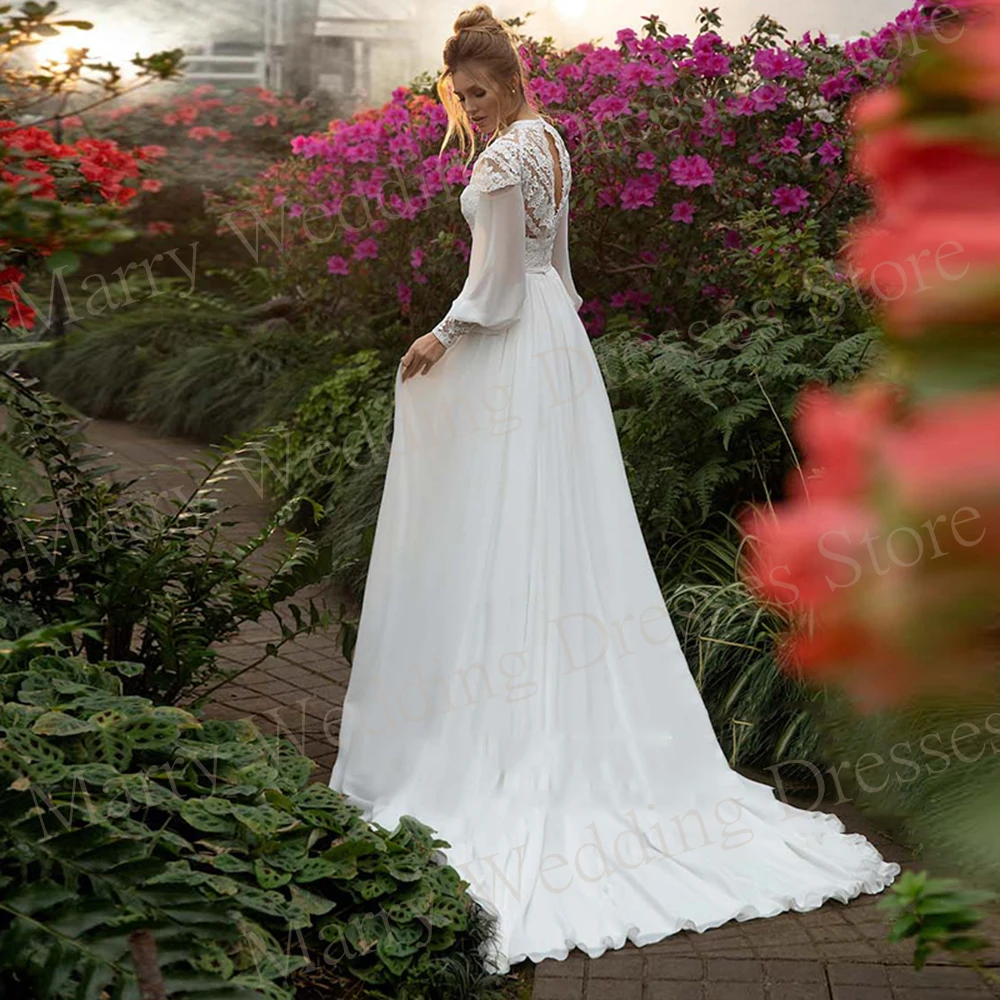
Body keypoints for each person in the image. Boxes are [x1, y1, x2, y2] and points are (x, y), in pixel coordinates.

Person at [328, 2, 900, 975]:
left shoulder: (508, 155)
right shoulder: (551, 141)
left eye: (477, 92)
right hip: (557, 351)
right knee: (556, 529)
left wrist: (441, 337)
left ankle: (508, 729)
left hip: (511, 344)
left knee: (509, 528)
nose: (466, 106)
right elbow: (562, 276)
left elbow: (499, 286)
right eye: (457, 95)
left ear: (509, 85)